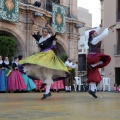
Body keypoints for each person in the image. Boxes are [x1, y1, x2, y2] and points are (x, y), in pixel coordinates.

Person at [19, 17, 69, 99]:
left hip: (48, 55)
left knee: (48, 73)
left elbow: (54, 34)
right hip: (42, 56)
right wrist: (32, 24)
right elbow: (32, 34)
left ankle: (46, 92)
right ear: (42, 32)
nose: (44, 33)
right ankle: (47, 90)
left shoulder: (50, 38)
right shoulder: (40, 38)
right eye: (43, 32)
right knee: (41, 71)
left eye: (46, 32)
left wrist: (48, 26)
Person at [87, 24, 115, 98]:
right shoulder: (95, 39)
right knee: (106, 59)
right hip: (94, 57)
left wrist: (99, 27)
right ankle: (93, 65)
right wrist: (107, 29)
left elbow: (96, 32)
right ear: (92, 35)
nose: (96, 33)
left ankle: (92, 90)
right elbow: (103, 35)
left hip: (91, 57)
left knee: (93, 75)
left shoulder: (91, 39)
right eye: (95, 33)